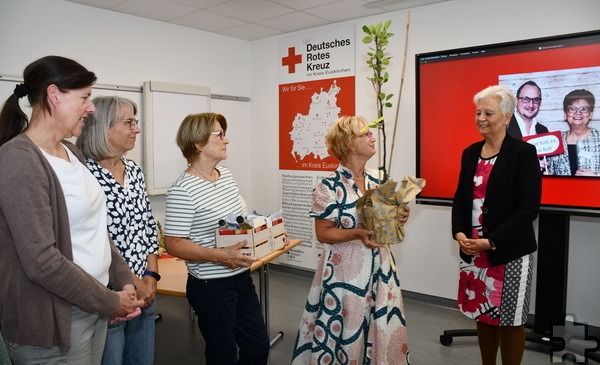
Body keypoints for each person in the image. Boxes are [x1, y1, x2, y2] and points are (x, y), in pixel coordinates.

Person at [0, 55, 144, 364]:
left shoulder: (71, 152)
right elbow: (41, 260)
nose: (91, 108)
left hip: (92, 306)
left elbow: (96, 230)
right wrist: (109, 300)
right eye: (85, 97)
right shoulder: (18, 159)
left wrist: (124, 281)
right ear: (54, 95)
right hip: (55, 318)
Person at [291, 116, 411, 365]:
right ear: (347, 144)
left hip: (380, 269)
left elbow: (384, 226)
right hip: (346, 276)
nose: (372, 137)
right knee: (347, 328)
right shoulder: (328, 186)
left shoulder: (378, 183)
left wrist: (398, 217)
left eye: (371, 133)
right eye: (365, 134)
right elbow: (323, 233)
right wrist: (357, 233)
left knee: (380, 325)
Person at [163, 113, 270, 365]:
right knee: (223, 356)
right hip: (211, 286)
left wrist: (267, 235)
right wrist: (221, 256)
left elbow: (235, 222)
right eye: (219, 134)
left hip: (241, 279)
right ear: (198, 143)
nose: (227, 140)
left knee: (258, 346)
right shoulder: (183, 190)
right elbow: (174, 243)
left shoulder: (226, 175)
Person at [452, 85, 542, 365]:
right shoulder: (470, 153)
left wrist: (491, 242)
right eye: (478, 112)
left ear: (506, 117)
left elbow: (528, 209)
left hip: (510, 250)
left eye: (488, 112)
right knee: (483, 313)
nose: (481, 118)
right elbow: (460, 199)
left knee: (510, 320)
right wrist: (459, 233)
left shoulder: (524, 153)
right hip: (474, 250)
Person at [76, 96, 159, 365]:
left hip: (146, 291)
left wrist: (151, 277)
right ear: (103, 128)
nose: (137, 128)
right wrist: (134, 283)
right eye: (129, 122)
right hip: (110, 299)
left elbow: (148, 228)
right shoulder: (83, 175)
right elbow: (94, 241)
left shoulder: (134, 170)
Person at [545, 89, 599, 176]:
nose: (578, 113)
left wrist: (595, 178)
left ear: (591, 114)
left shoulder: (598, 139)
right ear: (565, 114)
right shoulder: (555, 141)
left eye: (584, 109)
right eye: (572, 109)